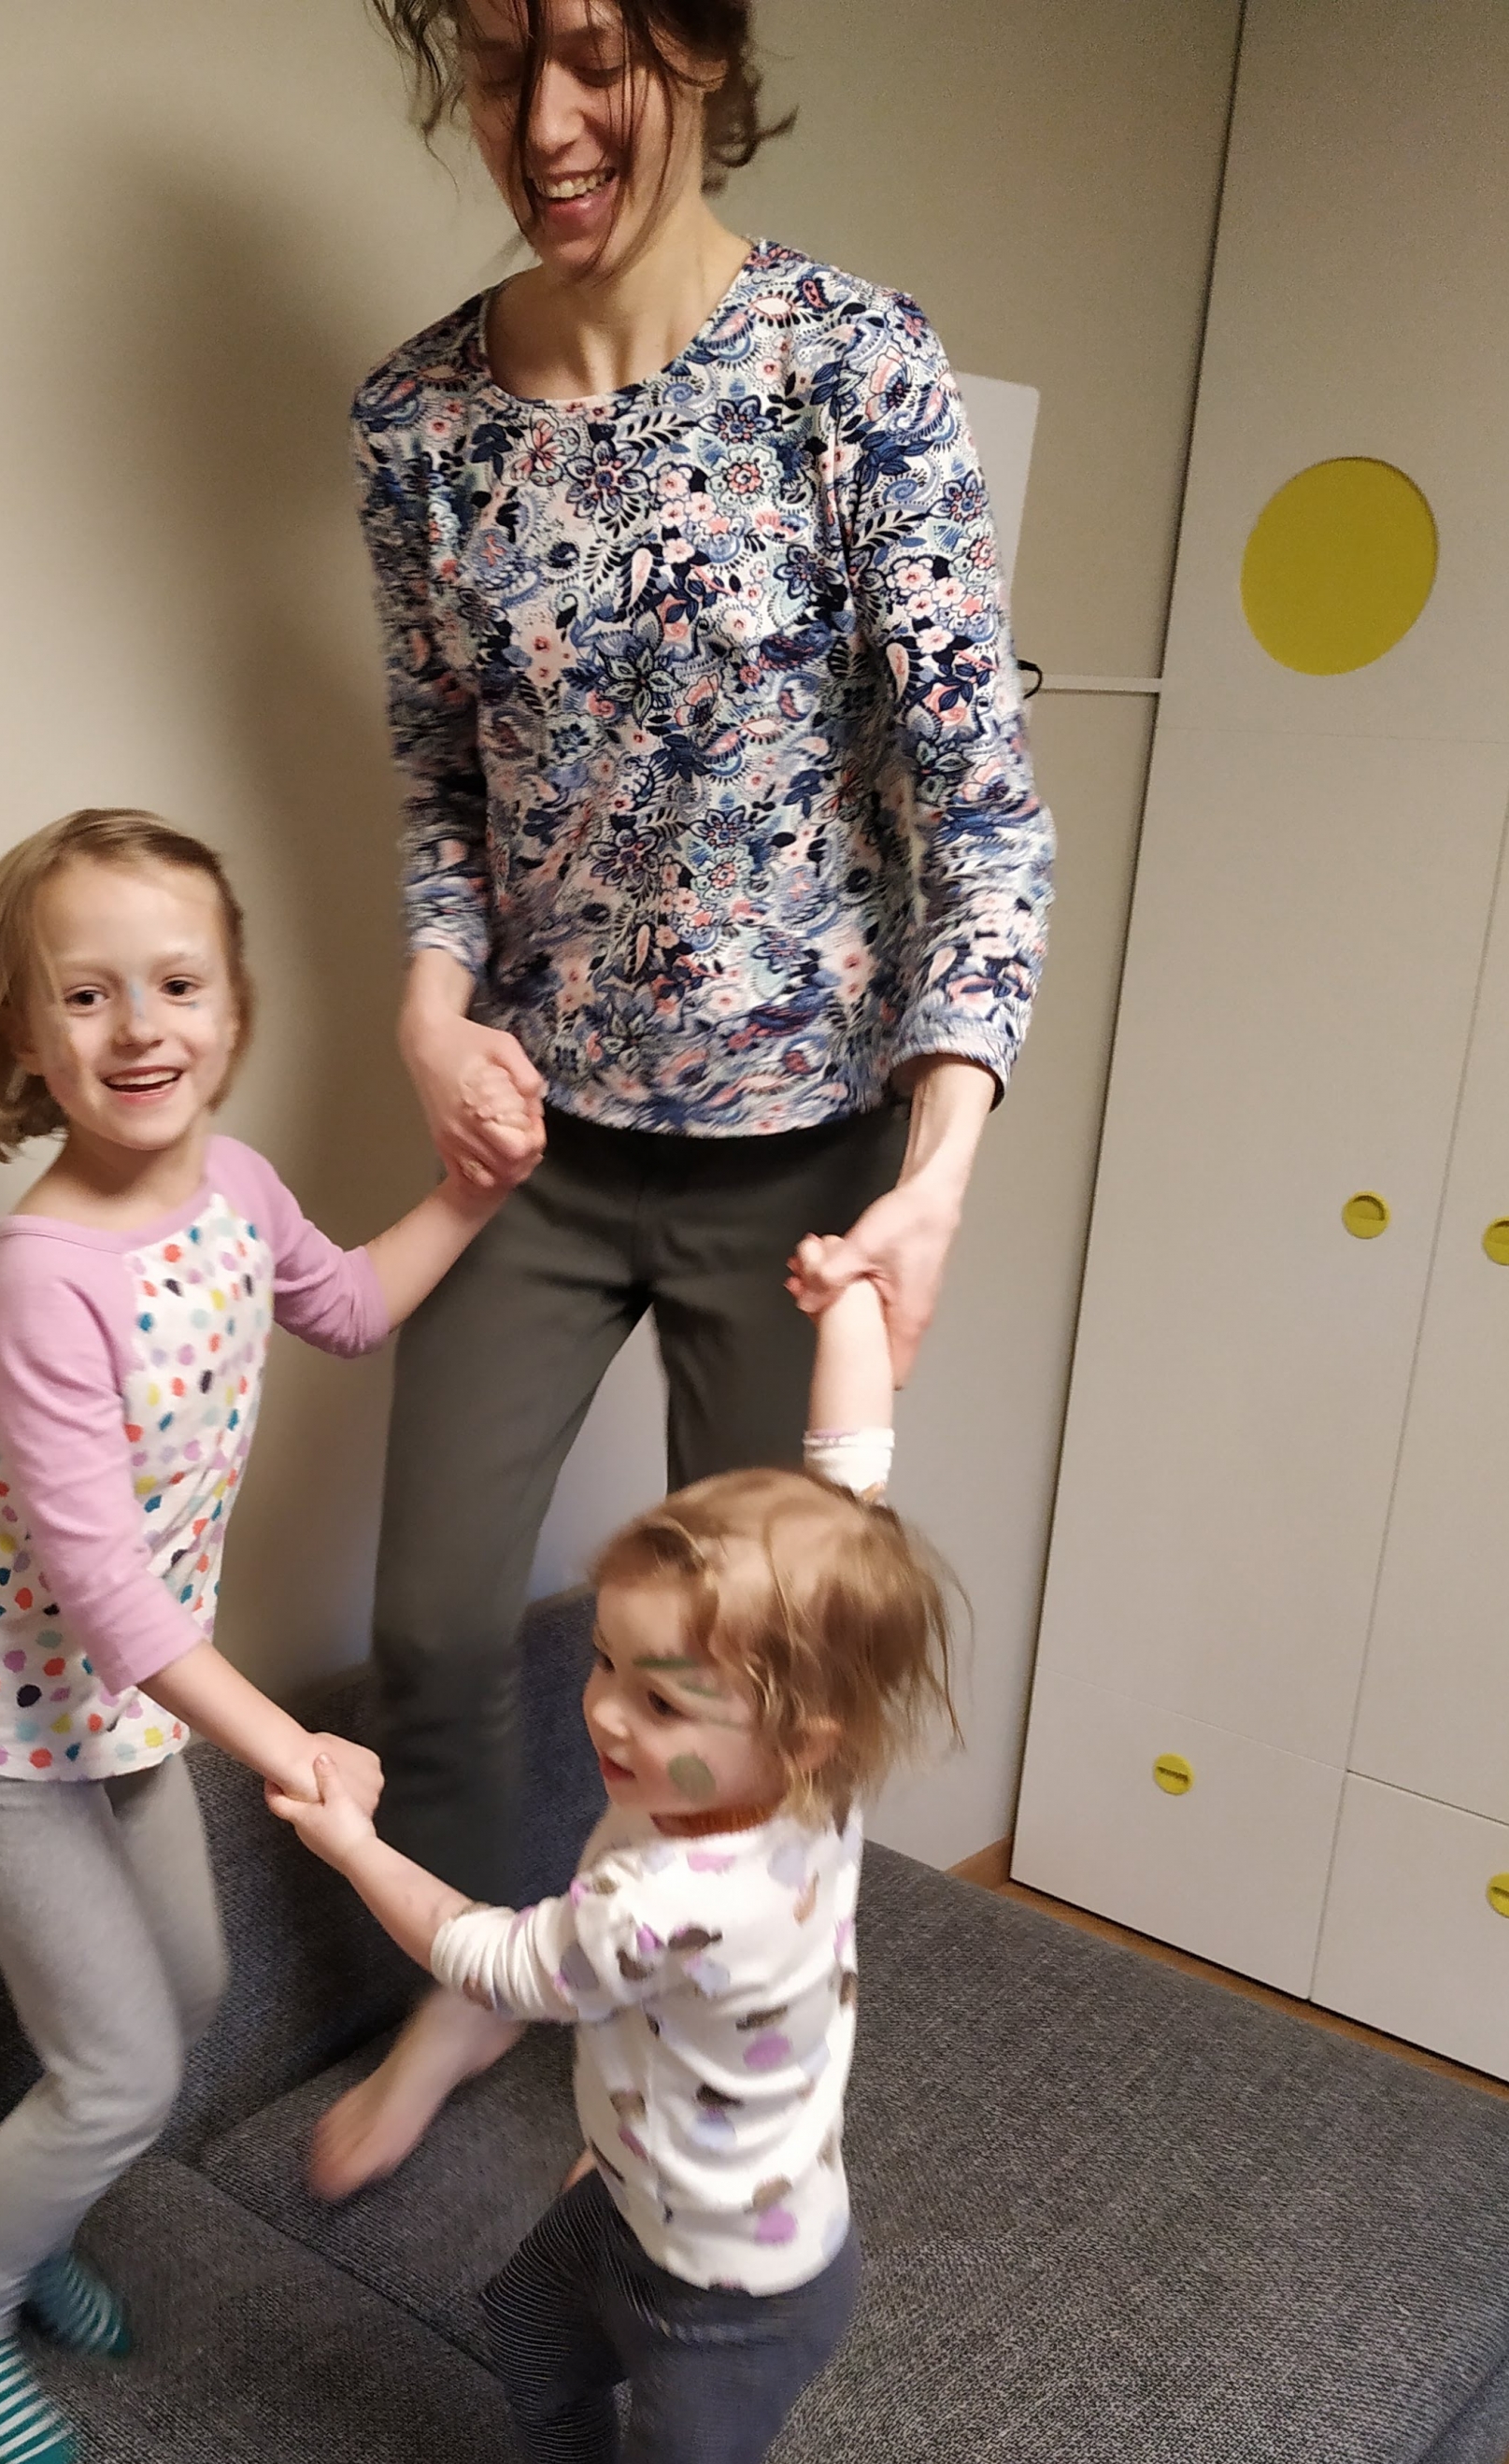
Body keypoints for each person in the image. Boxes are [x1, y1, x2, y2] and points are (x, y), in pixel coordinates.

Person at [311, 0, 1051, 2197]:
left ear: (710, 54)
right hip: (530, 1154)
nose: (545, 122)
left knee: (770, 1691)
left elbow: (979, 814)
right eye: (500, 56)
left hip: (802, 1170)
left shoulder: (849, 365)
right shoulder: (418, 420)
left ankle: (693, 2085)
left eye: (602, 51)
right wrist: (431, 1012)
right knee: (439, 1626)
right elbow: (442, 787)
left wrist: (937, 1167)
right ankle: (470, 1994)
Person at [0, 806, 524, 2464]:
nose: (140, 1025)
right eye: (85, 997)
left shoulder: (236, 1188)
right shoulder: (41, 1280)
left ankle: (30, 2224)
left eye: (177, 983)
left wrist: (468, 1192)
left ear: (236, 1011)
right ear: (27, 1037)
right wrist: (292, 1750)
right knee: (120, 2068)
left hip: (125, 1723)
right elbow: (114, 1599)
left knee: (189, 1989)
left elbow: (354, 1307)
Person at [270, 1262, 951, 2464]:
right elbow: (853, 1467)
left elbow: (489, 1957)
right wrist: (852, 1297)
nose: (612, 1721)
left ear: (808, 1738)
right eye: (605, 1667)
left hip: (735, 2286)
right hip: (641, 2191)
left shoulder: (679, 1898)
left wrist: (356, 1844)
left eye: (665, 1697)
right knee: (526, 2327)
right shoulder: (805, 1764)